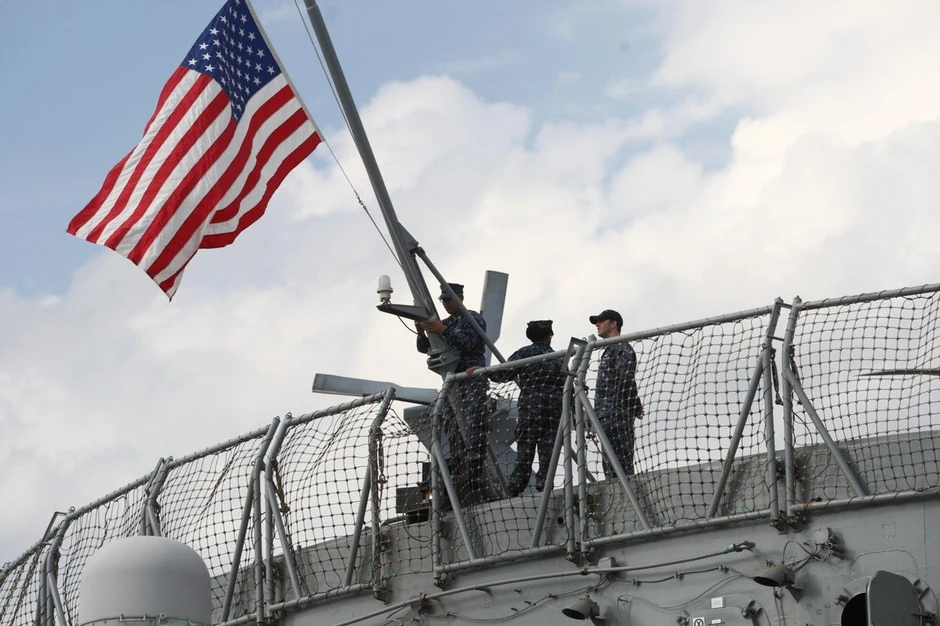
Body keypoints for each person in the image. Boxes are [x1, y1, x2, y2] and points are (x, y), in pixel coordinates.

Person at [468, 320, 566, 497]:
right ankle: (545, 486)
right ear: (548, 337)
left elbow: (503, 374)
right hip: (554, 409)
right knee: (548, 450)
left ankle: (515, 487)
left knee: (525, 450)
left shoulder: (524, 353)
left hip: (531, 408)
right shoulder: (558, 357)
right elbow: (567, 385)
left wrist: (482, 370)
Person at [416, 283, 490, 502]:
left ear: (460, 297)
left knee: (473, 424)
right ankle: (460, 472)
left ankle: (476, 473)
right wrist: (422, 333)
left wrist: (442, 330)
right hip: (451, 383)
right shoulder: (445, 323)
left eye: (449, 299)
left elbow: (466, 344)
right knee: (453, 427)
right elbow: (427, 349)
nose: (446, 304)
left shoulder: (473, 319)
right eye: (444, 301)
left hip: (470, 379)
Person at [589, 309, 644, 478]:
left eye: (601, 321)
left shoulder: (622, 348)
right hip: (606, 418)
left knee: (621, 467)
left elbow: (625, 380)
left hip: (617, 416)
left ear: (613, 324)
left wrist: (635, 406)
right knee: (612, 468)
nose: (597, 325)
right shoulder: (610, 350)